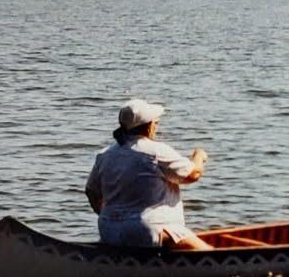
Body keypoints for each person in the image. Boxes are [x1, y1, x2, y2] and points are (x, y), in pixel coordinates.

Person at [85, 98, 213, 250]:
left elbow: (91, 192)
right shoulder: (155, 151)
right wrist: (199, 156)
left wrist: (112, 217)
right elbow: (193, 175)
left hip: (109, 230)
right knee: (207, 251)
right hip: (149, 230)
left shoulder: (105, 155)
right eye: (156, 123)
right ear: (149, 127)